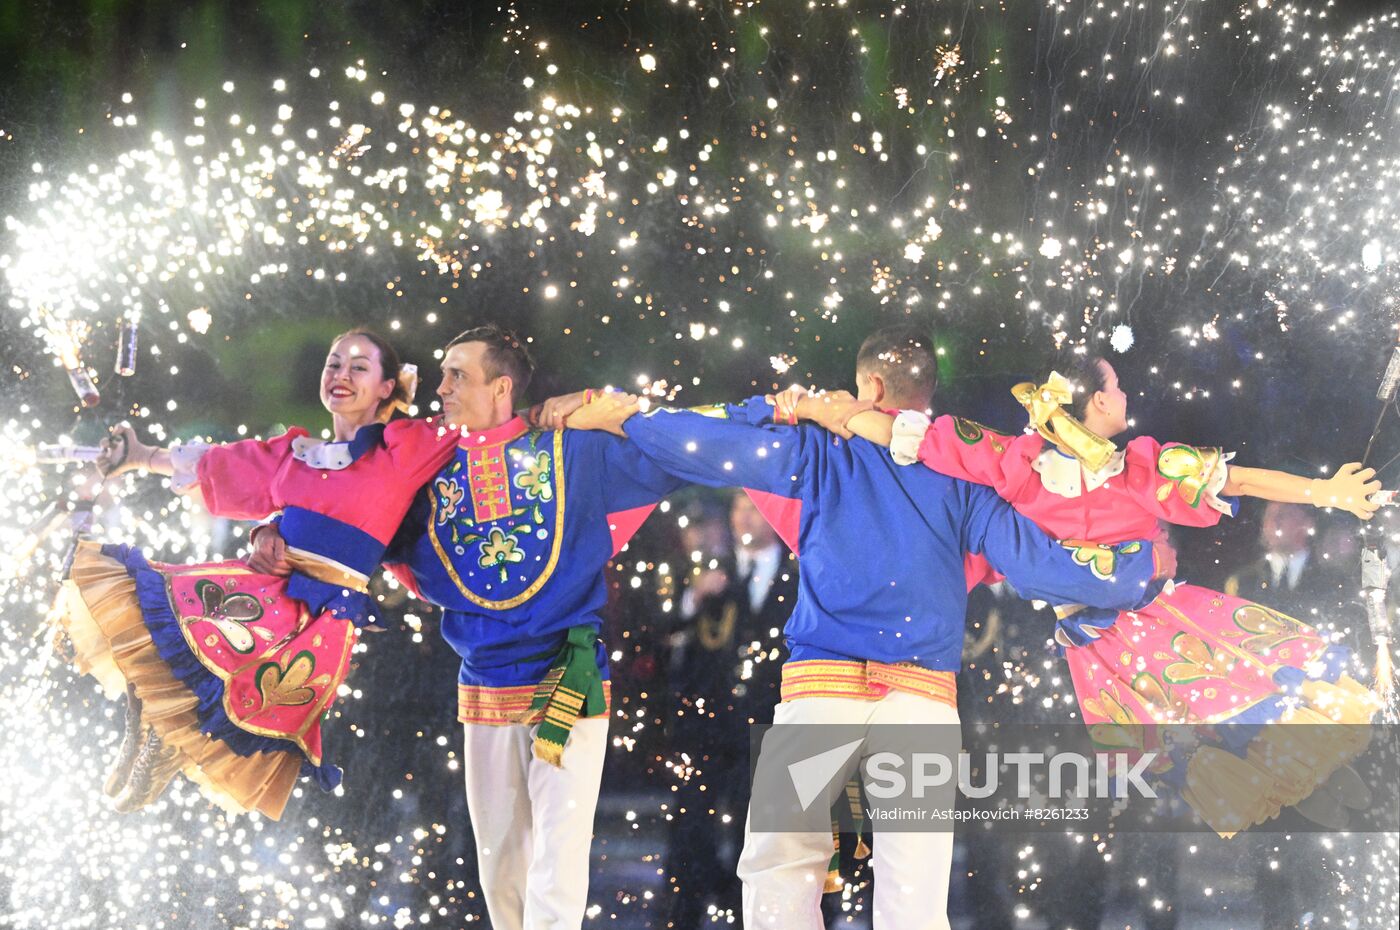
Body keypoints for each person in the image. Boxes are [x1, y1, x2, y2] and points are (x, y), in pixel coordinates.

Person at [564, 324, 1175, 930]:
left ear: (872, 385)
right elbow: (1045, 568)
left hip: (820, 696)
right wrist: (1142, 563)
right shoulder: (966, 479)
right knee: (914, 895)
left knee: (781, 867)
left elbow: (710, 446)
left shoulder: (820, 453)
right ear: (927, 392)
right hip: (919, 704)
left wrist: (628, 420)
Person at [793, 352, 1382, 836]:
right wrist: (1328, 492)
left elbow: (902, 433)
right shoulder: (1035, 462)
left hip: (1137, 627)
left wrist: (836, 413)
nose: (1125, 396)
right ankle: (1338, 816)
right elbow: (910, 436)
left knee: (1247, 715)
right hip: (1115, 638)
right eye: (1118, 386)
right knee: (1221, 731)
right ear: (1099, 401)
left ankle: (1348, 809)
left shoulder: (1096, 465)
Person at [251, 324, 689, 930]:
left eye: (458, 374)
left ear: (501, 386)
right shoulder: (426, 468)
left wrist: (606, 407)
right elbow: (342, 509)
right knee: (499, 868)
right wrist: (271, 528)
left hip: (569, 676)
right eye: (441, 374)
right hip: (482, 684)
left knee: (558, 863)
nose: (442, 387)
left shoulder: (572, 447)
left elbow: (675, 448)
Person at [54, 329, 464, 819]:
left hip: (316, 619)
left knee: (236, 695)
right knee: (163, 619)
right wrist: (142, 458)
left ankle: (169, 736)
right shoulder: (295, 454)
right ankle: (153, 724)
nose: (341, 376)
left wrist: (557, 414)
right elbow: (225, 465)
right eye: (333, 364)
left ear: (385, 387)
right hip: (261, 589)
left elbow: (483, 425)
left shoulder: (404, 447)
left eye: (358, 367)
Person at [665, 491, 795, 927]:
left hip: (774, 731)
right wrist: (691, 598)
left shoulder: (800, 574)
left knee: (759, 839)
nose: (745, 518)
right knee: (690, 835)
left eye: (755, 508)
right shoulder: (709, 571)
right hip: (707, 728)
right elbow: (657, 633)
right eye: (739, 508)